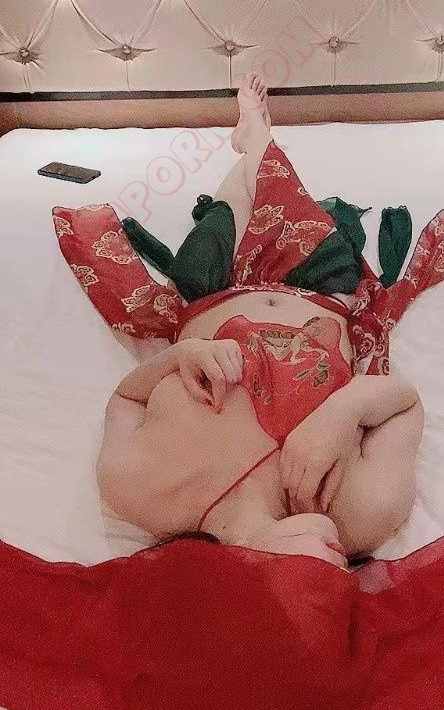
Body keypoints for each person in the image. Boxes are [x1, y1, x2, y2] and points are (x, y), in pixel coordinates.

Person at [95, 74, 424, 568]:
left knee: (221, 221)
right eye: (339, 584)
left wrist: (181, 356)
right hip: (320, 290)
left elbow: (125, 397)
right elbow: (406, 402)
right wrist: (344, 410)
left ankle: (250, 143)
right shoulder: (365, 514)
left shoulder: (138, 492)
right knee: (290, 203)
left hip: (210, 293)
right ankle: (256, 141)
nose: (337, 570)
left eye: (306, 583)